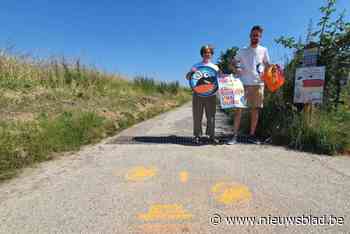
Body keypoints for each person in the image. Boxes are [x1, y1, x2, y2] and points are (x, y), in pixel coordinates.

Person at [228, 25, 270, 145]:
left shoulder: (264, 50)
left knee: (255, 110)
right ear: (250, 36)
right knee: (238, 110)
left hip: (258, 84)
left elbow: (267, 65)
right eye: (253, 35)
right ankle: (234, 136)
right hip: (243, 84)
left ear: (260, 37)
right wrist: (236, 70)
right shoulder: (242, 50)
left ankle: (251, 136)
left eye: (257, 35)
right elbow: (232, 63)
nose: (255, 37)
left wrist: (271, 72)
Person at [186, 45, 220, 144]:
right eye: (205, 52)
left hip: (211, 94)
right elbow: (188, 77)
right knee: (197, 115)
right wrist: (191, 72)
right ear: (202, 54)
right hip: (198, 94)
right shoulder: (196, 66)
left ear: (212, 54)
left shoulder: (215, 67)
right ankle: (197, 136)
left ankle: (212, 136)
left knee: (211, 116)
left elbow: (219, 80)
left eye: (209, 52)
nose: (207, 54)